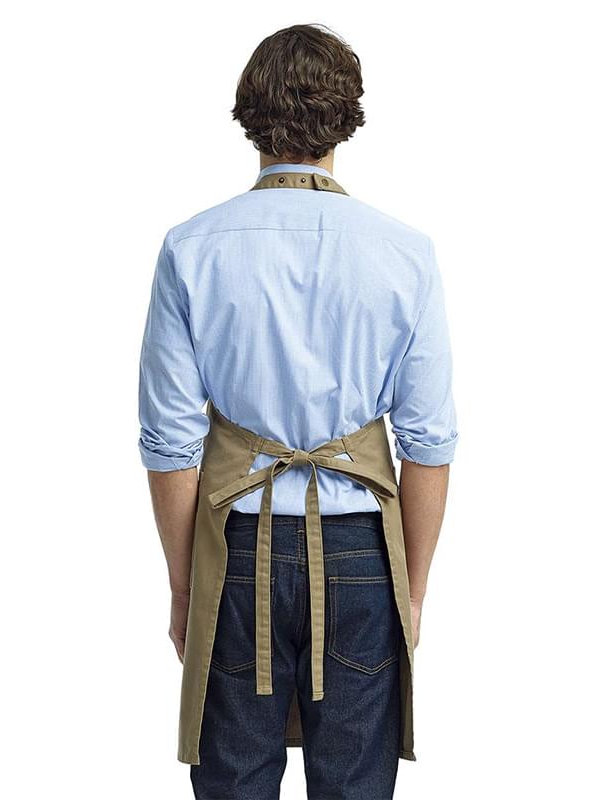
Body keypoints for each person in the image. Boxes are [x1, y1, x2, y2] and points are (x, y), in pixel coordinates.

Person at [138, 22, 458, 800]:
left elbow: (171, 443)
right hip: (361, 554)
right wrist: (411, 591)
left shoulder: (191, 247)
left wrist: (184, 588)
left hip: (235, 549)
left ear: (250, 114)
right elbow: (427, 442)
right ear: (346, 118)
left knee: (234, 783)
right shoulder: (404, 252)